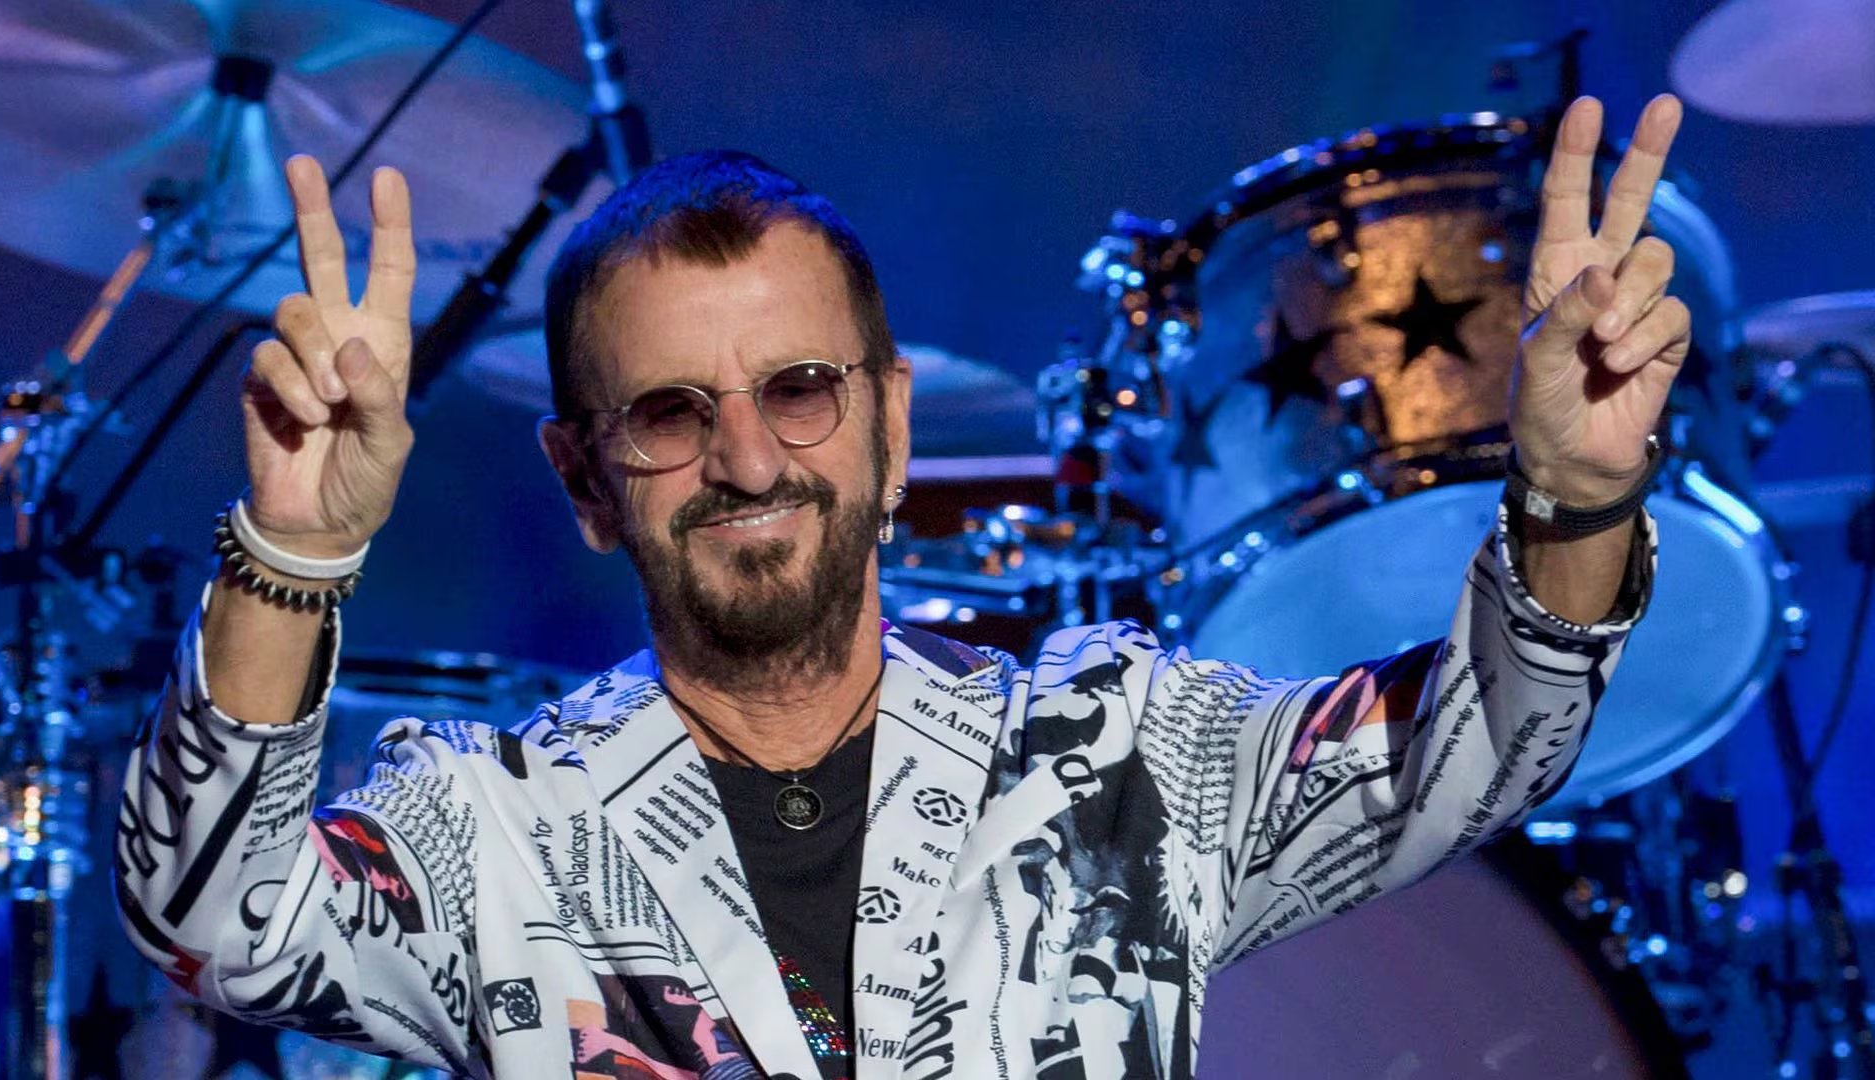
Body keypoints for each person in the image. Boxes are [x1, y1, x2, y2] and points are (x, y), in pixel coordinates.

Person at [117, 93, 1686, 1079]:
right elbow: (209, 924)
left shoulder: (1125, 758)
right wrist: (295, 551)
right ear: (586, 480)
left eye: (800, 389)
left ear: (892, 426)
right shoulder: (492, 829)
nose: (747, 457)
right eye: (669, 413)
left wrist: (1577, 496)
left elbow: (1482, 740)